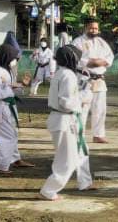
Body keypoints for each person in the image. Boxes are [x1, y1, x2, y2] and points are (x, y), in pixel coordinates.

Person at [39, 44, 95, 200]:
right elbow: (66, 102)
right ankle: (49, 190)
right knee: (67, 161)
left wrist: (83, 92)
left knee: (75, 154)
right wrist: (85, 96)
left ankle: (83, 182)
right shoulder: (68, 75)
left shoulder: (61, 73)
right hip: (64, 120)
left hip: (63, 120)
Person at [0, 44, 35, 175]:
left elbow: (10, 89)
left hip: (8, 107)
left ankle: (15, 159)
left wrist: (21, 84)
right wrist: (11, 87)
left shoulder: (5, 69)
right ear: (6, 57)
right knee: (8, 137)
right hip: (0, 108)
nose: (15, 61)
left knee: (12, 134)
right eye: (14, 58)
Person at [73, 17, 115, 143]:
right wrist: (91, 62)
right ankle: (79, 134)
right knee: (82, 108)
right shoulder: (78, 42)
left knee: (100, 109)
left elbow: (110, 57)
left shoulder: (101, 42)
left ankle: (98, 135)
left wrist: (101, 62)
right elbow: (75, 58)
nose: (94, 30)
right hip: (84, 78)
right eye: (91, 28)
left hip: (99, 79)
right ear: (86, 27)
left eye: (96, 28)